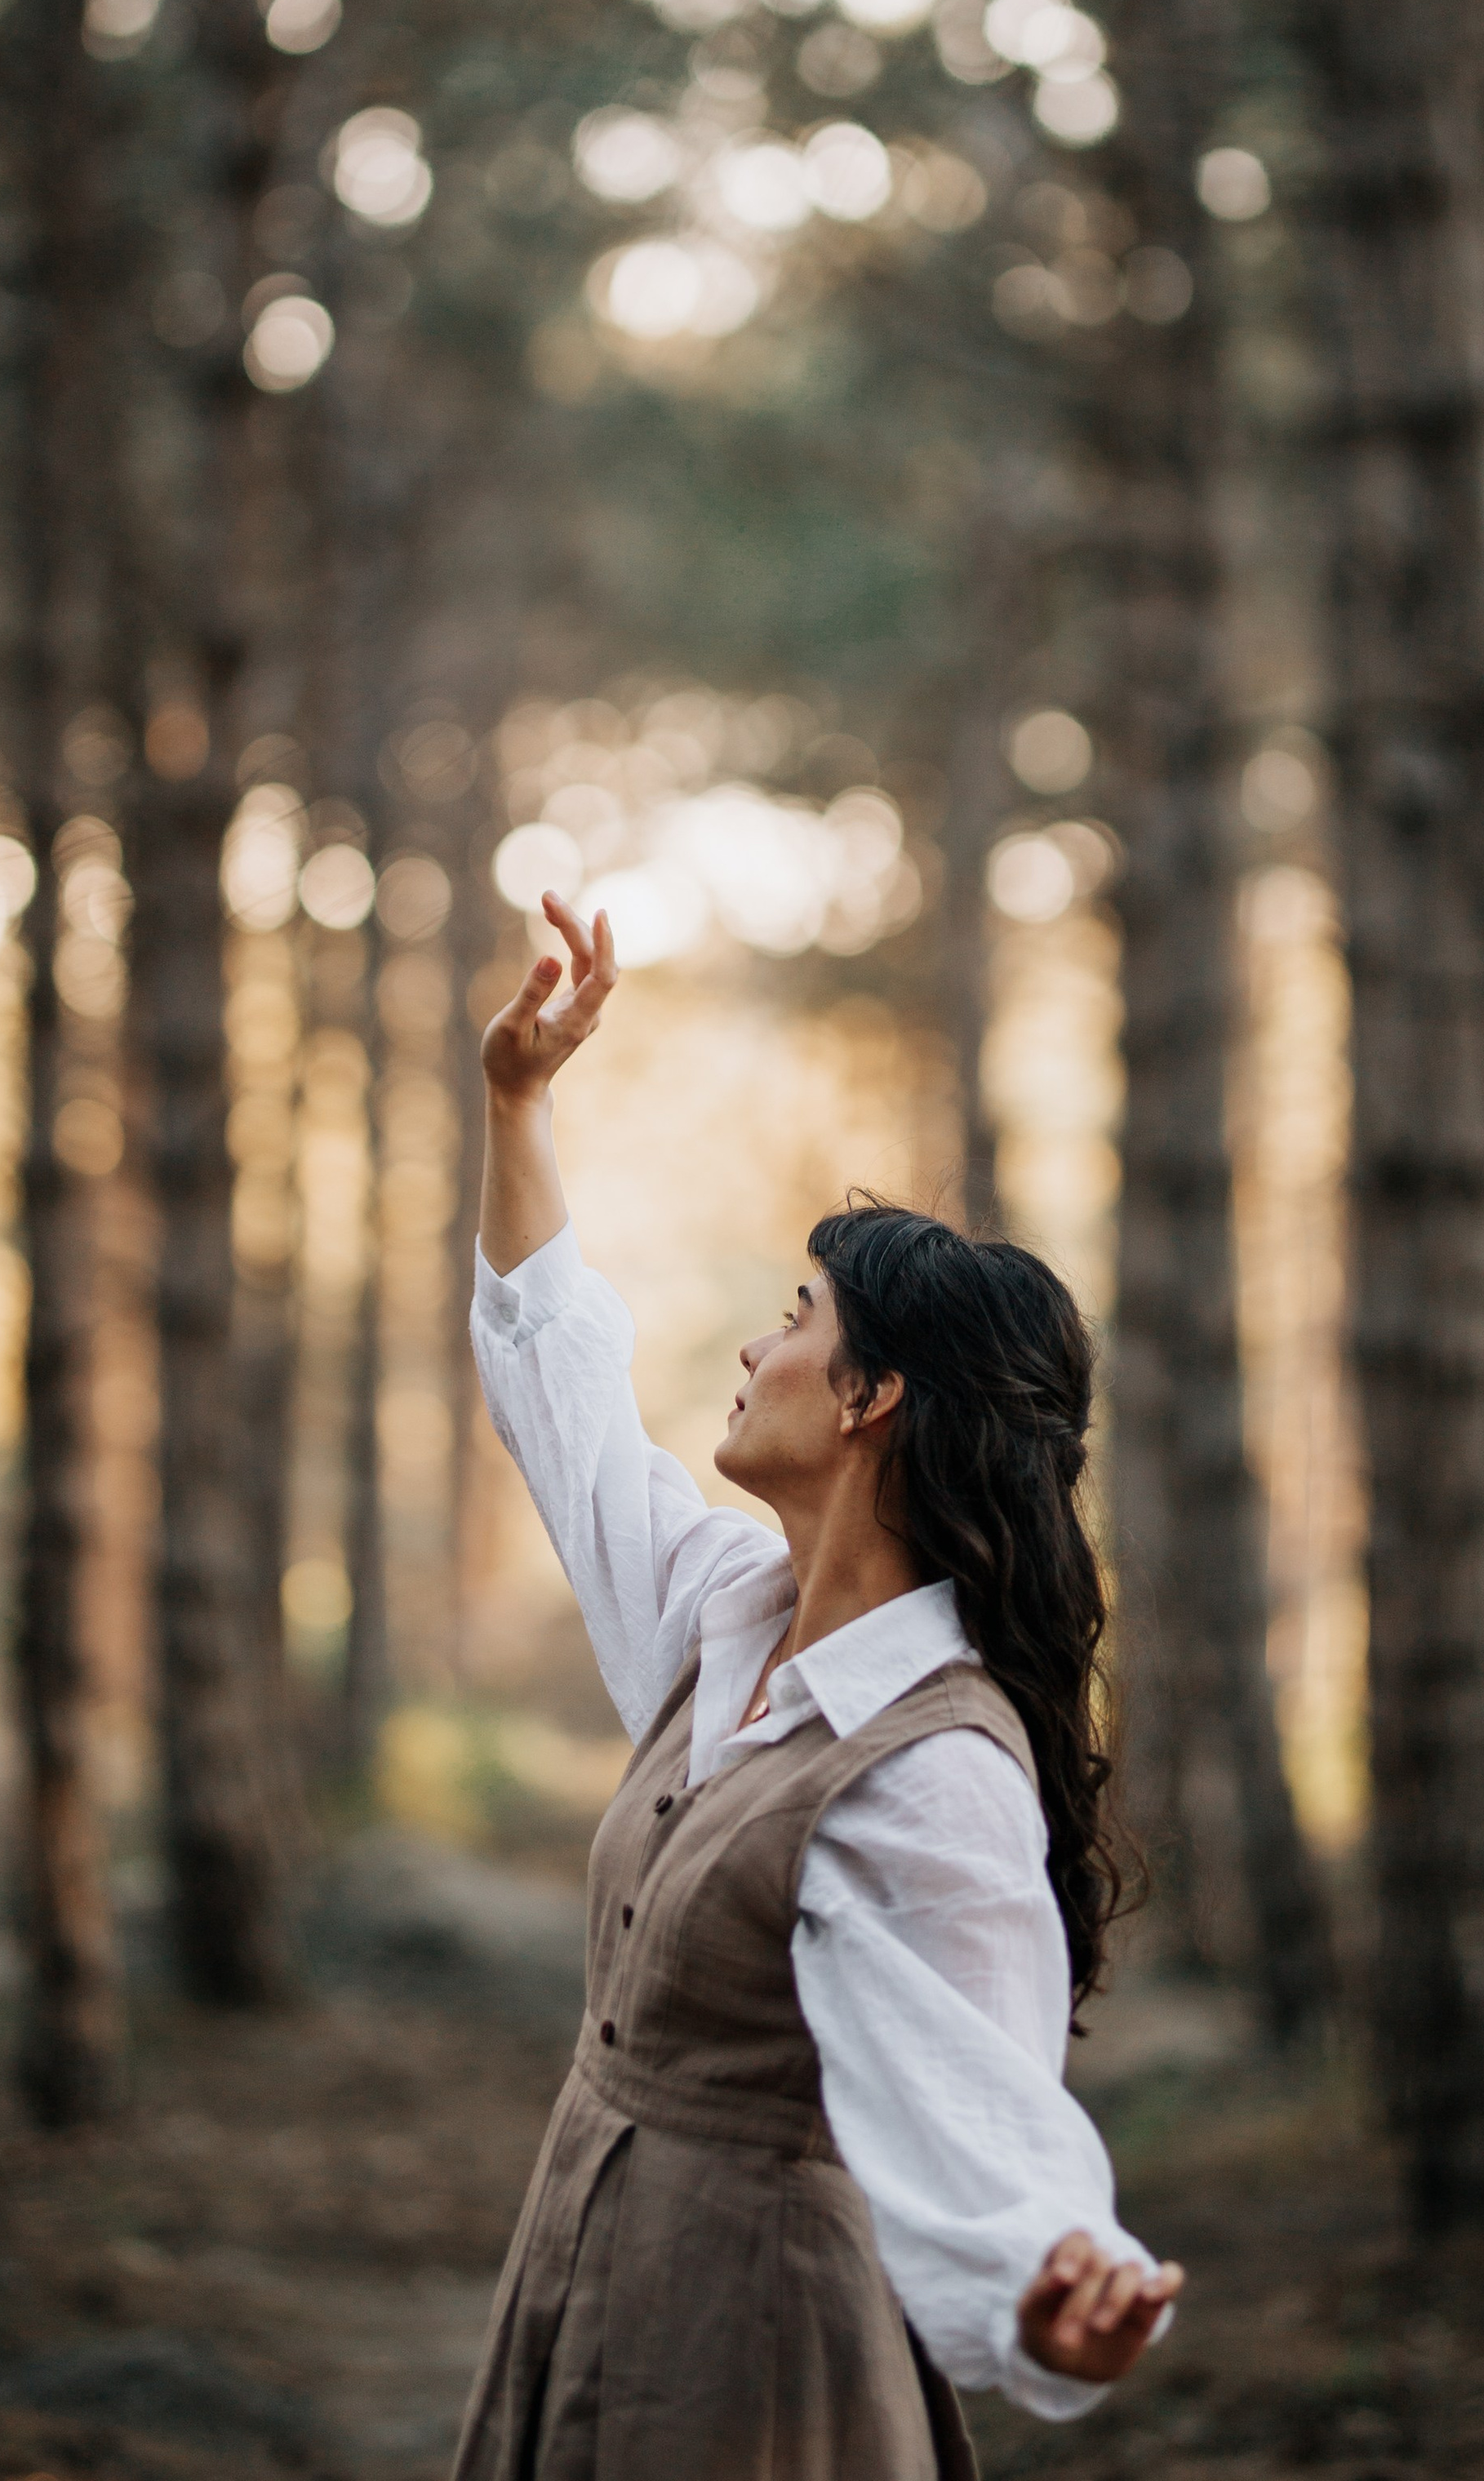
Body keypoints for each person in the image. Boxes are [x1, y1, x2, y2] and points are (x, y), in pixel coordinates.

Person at [453, 891, 1182, 2481]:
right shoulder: (725, 1612)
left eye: (795, 1319)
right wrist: (518, 1102)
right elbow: (560, 1393)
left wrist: (1052, 2290)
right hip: (580, 2290)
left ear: (872, 1397)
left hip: (757, 2370)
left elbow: (973, 2092)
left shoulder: (929, 1765)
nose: (752, 1348)